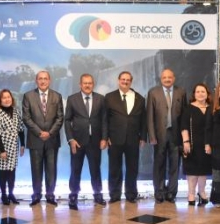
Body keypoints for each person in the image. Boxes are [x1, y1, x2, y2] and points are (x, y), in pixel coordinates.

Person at [64, 73, 107, 209]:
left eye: (90, 83)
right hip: (77, 142)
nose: (87, 85)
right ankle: (73, 195)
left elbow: (104, 120)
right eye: (85, 83)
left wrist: (104, 138)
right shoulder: (72, 99)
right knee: (75, 169)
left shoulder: (101, 99)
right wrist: (71, 139)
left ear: (93, 84)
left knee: (95, 169)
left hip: (95, 141)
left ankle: (98, 194)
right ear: (80, 84)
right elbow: (67, 120)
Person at [22, 70, 64, 206]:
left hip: (52, 139)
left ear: (49, 81)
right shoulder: (28, 96)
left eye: (45, 78)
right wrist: (40, 132)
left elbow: (60, 118)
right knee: (36, 170)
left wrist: (49, 133)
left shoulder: (57, 96)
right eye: (40, 78)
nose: (43, 81)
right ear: (36, 81)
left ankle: (50, 195)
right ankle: (36, 195)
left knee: (51, 170)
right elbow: (26, 118)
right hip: (35, 139)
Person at [104, 71, 147, 203]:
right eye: (123, 79)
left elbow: (143, 120)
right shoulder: (109, 97)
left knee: (132, 168)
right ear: (118, 80)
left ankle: (131, 195)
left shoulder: (140, 98)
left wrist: (143, 137)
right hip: (114, 139)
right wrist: (105, 137)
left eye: (128, 80)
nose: (125, 82)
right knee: (114, 168)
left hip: (133, 139)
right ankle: (114, 195)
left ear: (131, 82)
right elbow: (104, 119)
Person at [146, 68, 185, 203]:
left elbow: (184, 116)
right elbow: (149, 116)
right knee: (159, 164)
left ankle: (171, 193)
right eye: (164, 77)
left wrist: (184, 136)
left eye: (169, 77)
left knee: (175, 164)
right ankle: (159, 191)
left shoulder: (181, 92)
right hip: (159, 135)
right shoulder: (153, 93)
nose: (167, 79)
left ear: (174, 78)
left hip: (176, 135)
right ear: (160, 79)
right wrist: (152, 136)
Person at [181, 83, 213, 206]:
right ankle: (191, 194)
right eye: (198, 91)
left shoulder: (211, 108)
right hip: (192, 144)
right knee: (192, 170)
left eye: (203, 91)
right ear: (194, 94)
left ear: (207, 94)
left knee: (203, 170)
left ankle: (202, 192)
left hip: (207, 144)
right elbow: (184, 126)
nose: (200, 94)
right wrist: (186, 142)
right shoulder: (188, 108)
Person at [0, 89, 25, 205]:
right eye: (4, 97)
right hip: (2, 146)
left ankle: (11, 193)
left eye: (8, 97)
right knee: (4, 171)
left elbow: (21, 129)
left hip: (14, 145)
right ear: (0, 100)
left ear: (12, 98)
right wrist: (2, 150)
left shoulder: (16, 112)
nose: (7, 99)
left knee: (12, 170)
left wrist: (22, 145)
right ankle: (3, 194)